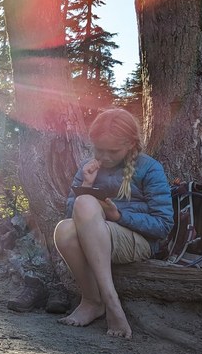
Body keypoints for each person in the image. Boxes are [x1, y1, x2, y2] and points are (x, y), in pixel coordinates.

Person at [54, 109, 174, 339]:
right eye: (99, 149)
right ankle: (92, 301)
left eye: (113, 151)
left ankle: (111, 301)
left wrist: (119, 216)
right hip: (97, 237)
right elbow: (71, 215)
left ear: (130, 144)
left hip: (136, 240)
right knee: (64, 229)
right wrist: (87, 185)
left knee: (85, 203)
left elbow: (163, 225)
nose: (105, 157)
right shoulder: (89, 168)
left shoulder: (150, 168)